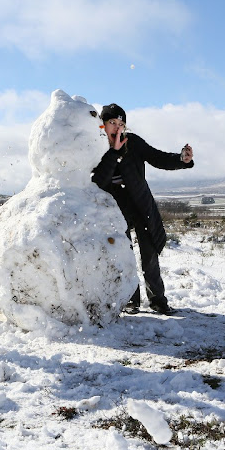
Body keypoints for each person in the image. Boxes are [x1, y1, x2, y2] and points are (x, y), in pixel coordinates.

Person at [92, 103, 194, 314]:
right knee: (124, 256)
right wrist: (115, 153)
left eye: (121, 124)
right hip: (114, 210)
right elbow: (97, 181)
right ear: (102, 125)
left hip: (140, 204)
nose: (117, 128)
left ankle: (158, 300)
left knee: (149, 255)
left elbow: (157, 157)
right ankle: (130, 300)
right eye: (112, 123)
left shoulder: (133, 142)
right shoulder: (95, 147)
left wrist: (181, 159)